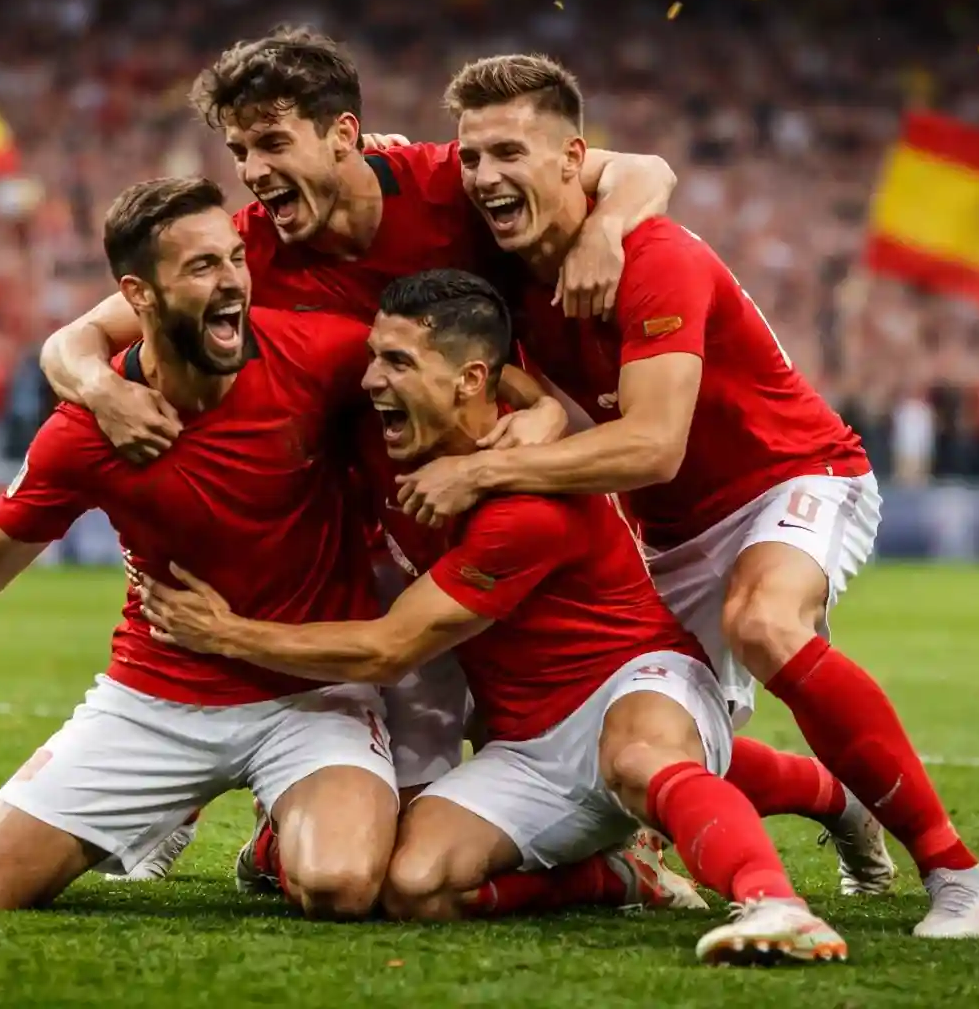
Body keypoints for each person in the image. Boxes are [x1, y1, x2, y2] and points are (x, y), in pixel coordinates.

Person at [389, 55, 979, 939]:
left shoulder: (655, 256)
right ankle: (834, 799)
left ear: (575, 159)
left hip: (790, 476)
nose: (486, 176)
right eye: (473, 159)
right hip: (669, 532)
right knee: (619, 729)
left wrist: (484, 469)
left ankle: (960, 877)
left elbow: (651, 445)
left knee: (765, 625)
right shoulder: (502, 270)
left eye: (510, 153)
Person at [37, 26, 681, 874]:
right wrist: (104, 388)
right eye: (239, 150)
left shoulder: (447, 182)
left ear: (343, 135)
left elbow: (645, 170)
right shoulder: (248, 249)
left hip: (488, 488)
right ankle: (200, 809)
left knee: (522, 681)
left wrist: (608, 236)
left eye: (272, 142)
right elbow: (72, 340)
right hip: (367, 516)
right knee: (405, 724)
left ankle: (623, 836)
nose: (254, 170)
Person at [139, 270, 847, 966]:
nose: (370, 380)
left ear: (471, 381)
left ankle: (775, 903)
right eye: (373, 359)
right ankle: (622, 876)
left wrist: (221, 632)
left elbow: (389, 649)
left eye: (396, 362)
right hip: (525, 741)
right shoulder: (393, 440)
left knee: (637, 760)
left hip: (633, 681)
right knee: (413, 887)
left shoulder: (525, 500)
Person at [0, 177, 400, 919]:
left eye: (234, 258)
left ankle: (276, 841)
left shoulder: (318, 356)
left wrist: (537, 420)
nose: (232, 281)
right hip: (160, 696)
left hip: (311, 694)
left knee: (341, 886)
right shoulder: (85, 431)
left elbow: (443, 371)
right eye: (201, 267)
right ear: (140, 295)